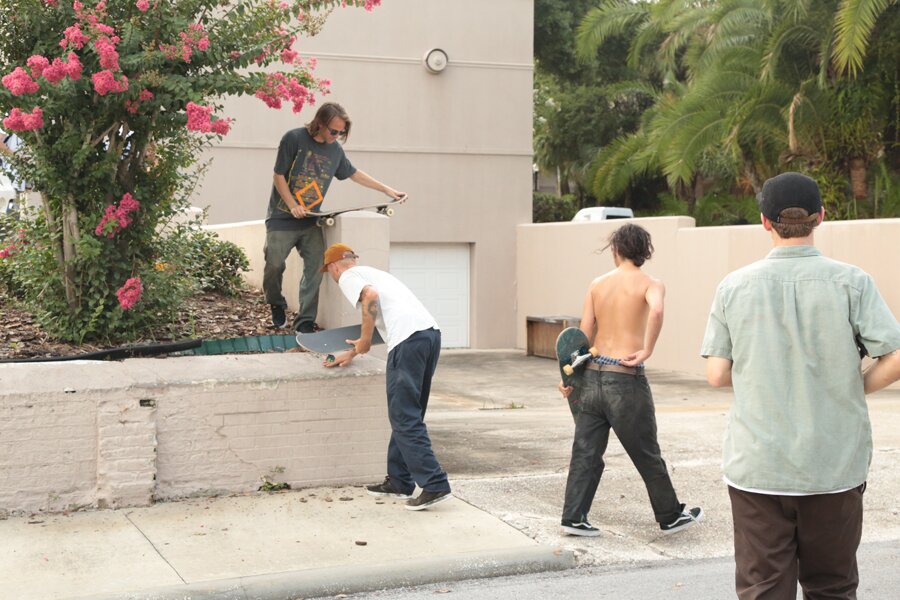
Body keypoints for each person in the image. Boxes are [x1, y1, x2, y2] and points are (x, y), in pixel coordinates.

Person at [701, 172, 900, 599]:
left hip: (758, 467)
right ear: (820, 218)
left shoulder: (733, 286)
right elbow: (895, 357)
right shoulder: (852, 282)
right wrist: (853, 384)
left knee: (763, 589)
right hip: (833, 466)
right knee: (833, 587)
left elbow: (716, 374)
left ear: (765, 222)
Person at [559, 224, 703, 537]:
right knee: (646, 451)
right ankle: (669, 515)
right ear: (643, 251)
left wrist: (572, 380)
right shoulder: (651, 283)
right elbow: (657, 311)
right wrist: (646, 349)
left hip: (593, 376)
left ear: (617, 249)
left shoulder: (597, 284)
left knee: (585, 452)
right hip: (625, 380)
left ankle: (573, 517)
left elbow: (580, 339)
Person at [321, 243, 452, 511]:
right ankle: (399, 481)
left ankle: (434, 484)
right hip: (429, 336)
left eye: (330, 272)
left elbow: (369, 297)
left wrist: (365, 342)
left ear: (334, 267)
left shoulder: (349, 277)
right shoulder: (377, 273)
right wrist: (354, 351)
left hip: (407, 341)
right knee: (407, 414)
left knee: (404, 417)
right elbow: (386, 316)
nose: (333, 277)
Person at [263, 102, 405, 333]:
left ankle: (305, 322)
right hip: (281, 217)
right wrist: (292, 205)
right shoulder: (294, 139)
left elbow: (354, 174)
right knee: (274, 265)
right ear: (320, 123)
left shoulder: (335, 151)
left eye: (342, 133)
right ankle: (276, 304)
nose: (337, 136)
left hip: (311, 220)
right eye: (333, 131)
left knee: (316, 270)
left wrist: (387, 190)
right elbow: (278, 175)